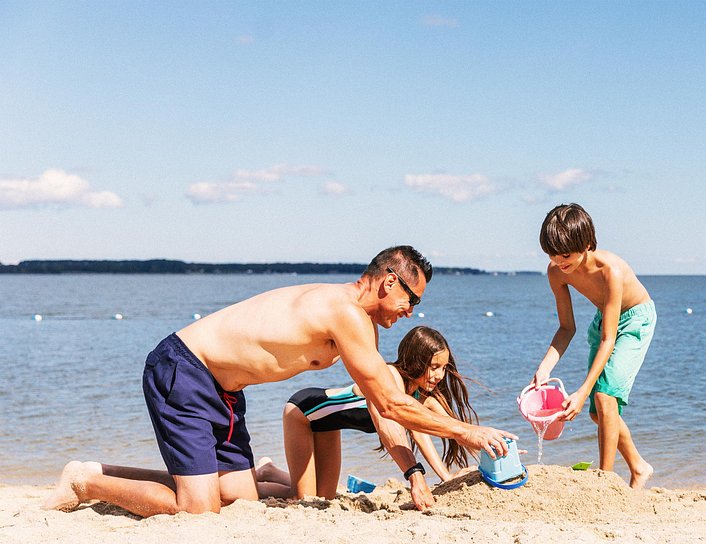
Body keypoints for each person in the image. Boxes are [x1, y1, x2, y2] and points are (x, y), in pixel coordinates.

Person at [42, 246, 515, 517]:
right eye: (411, 300)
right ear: (389, 281)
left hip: (225, 393)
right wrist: (468, 432)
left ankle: (112, 472)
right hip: (184, 369)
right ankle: (87, 481)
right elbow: (393, 405)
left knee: (237, 499)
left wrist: (411, 474)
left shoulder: (360, 326)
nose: (412, 312)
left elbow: (380, 407)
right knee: (200, 512)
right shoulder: (342, 312)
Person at [265, 325, 479, 503]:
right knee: (303, 498)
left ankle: (270, 471)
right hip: (303, 412)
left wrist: (448, 477)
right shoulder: (388, 376)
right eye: (434, 367)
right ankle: (260, 478)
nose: (440, 375)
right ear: (417, 360)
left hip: (328, 425)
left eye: (444, 368)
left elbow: (445, 428)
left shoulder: (419, 394)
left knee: (324, 498)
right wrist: (417, 475)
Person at [531, 203, 656, 489]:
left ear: (587, 244)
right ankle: (638, 466)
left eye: (566, 255)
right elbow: (566, 328)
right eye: (552, 254)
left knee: (604, 398)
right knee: (596, 413)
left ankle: (605, 481)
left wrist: (583, 390)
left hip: (635, 320)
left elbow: (609, 339)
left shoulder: (608, 270)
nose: (559, 261)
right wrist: (545, 367)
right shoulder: (556, 272)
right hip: (605, 320)